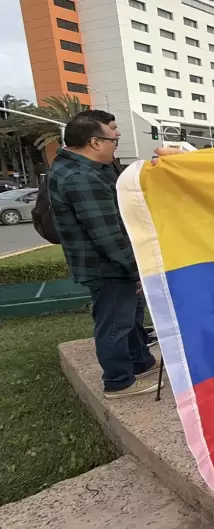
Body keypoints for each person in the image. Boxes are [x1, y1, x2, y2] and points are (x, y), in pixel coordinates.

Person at [47, 112, 160, 399]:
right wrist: (136, 270)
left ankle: (139, 362)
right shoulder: (82, 177)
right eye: (113, 139)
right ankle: (118, 381)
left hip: (107, 263)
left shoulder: (76, 168)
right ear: (95, 142)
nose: (115, 143)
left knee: (127, 319)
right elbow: (107, 235)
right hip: (107, 266)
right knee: (114, 325)